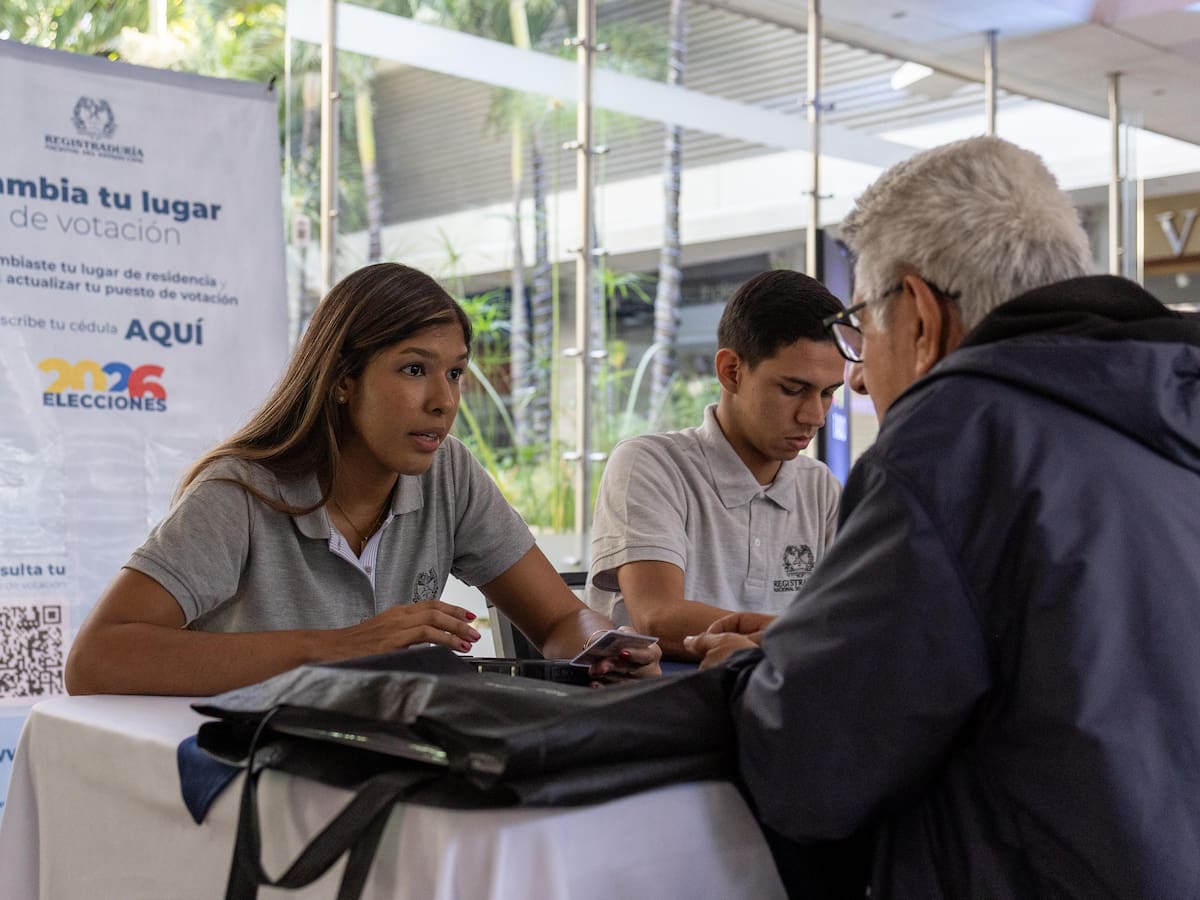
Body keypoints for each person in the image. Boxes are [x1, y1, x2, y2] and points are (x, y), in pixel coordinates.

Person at [685, 136, 1200, 898]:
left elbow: (809, 767)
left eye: (861, 328)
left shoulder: (957, 439)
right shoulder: (1171, 419)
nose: (856, 380)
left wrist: (758, 669)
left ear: (922, 316)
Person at [65, 262, 660, 696]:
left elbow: (557, 620)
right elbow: (95, 659)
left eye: (454, 374)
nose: (443, 401)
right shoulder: (239, 491)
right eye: (413, 369)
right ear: (342, 379)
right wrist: (341, 647)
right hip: (240, 782)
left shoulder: (448, 471)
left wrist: (603, 646)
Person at [585, 270, 846, 660]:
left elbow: (848, 620)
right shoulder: (651, 465)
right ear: (731, 371)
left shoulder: (819, 487)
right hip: (661, 704)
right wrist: (798, 639)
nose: (816, 416)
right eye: (794, 390)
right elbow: (656, 617)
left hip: (774, 705)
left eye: (828, 394)